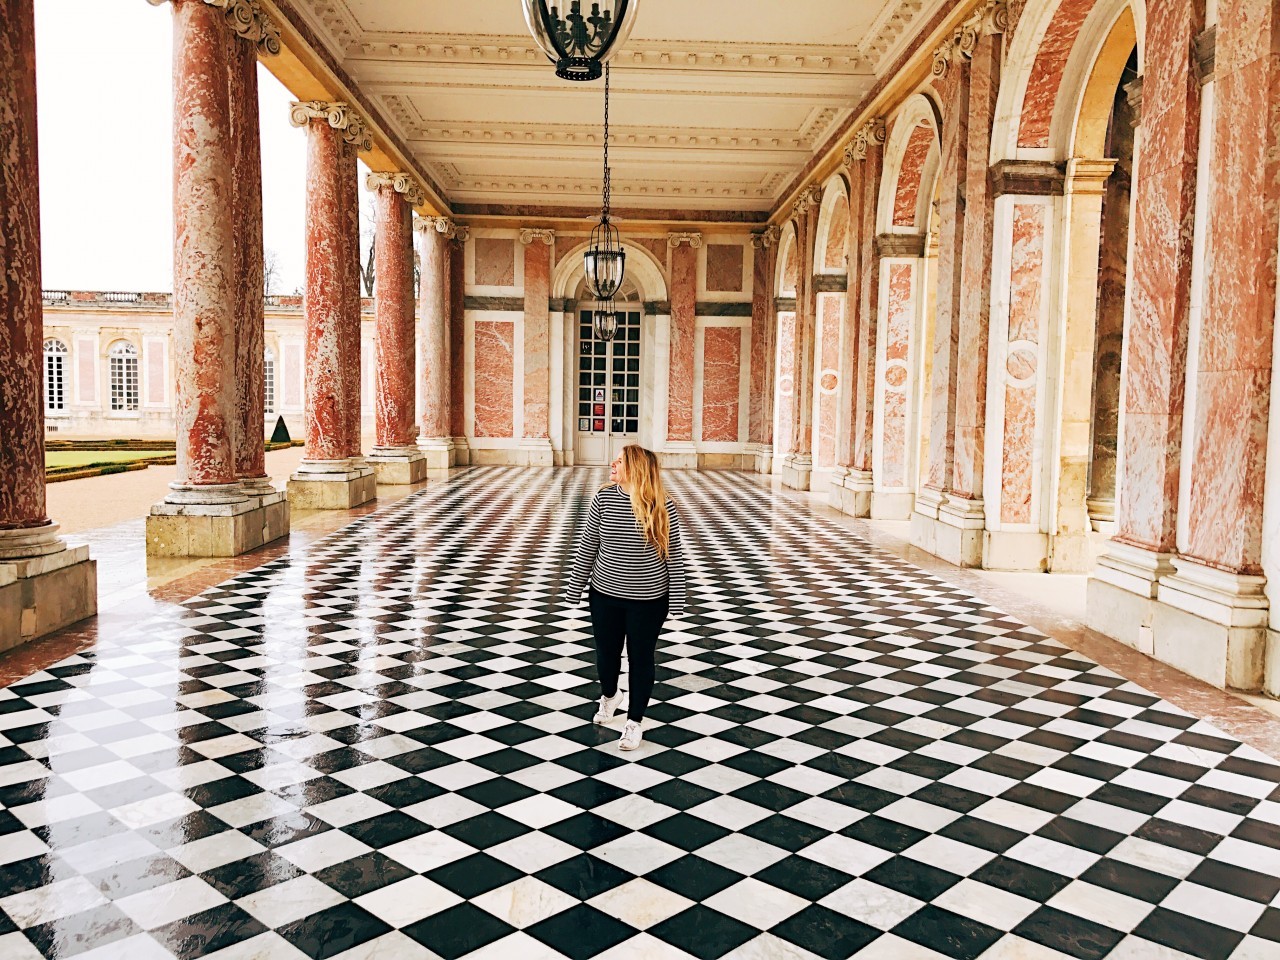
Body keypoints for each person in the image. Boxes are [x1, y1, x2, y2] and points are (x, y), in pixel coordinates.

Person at [565, 445, 687, 751]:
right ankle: (610, 695)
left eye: (619, 461)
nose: (613, 464)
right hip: (605, 595)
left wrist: (678, 599)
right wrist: (575, 586)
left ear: (635, 469)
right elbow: (588, 544)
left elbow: (674, 556)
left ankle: (634, 722)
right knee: (606, 657)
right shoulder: (604, 498)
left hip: (648, 600)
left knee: (640, 658)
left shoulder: (662, 506)